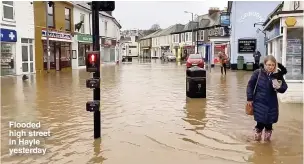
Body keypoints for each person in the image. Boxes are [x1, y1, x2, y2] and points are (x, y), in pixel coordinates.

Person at [246, 55, 288, 141]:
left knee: (269, 125)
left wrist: (278, 87)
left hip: (272, 103)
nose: (271, 67)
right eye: (269, 65)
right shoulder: (258, 73)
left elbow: (284, 88)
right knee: (260, 123)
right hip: (259, 102)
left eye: (272, 65)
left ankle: (267, 143)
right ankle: (257, 143)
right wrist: (249, 98)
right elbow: (250, 86)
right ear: (265, 64)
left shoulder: (277, 75)